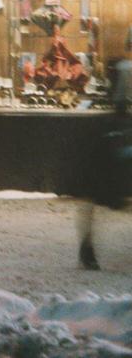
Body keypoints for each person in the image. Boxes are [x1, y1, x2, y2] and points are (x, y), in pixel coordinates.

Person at [74, 44, 132, 270]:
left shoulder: (122, 69)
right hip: (116, 141)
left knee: (90, 199)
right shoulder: (125, 69)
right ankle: (86, 248)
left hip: (112, 140)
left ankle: (86, 248)